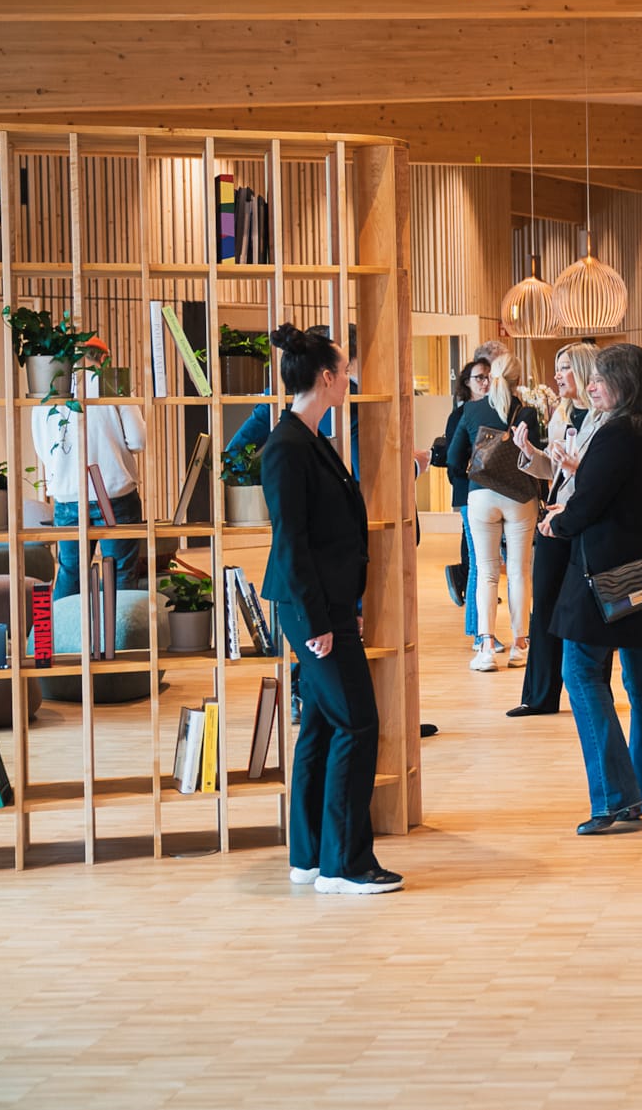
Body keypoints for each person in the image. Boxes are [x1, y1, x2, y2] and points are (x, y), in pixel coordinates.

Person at [260, 324, 401, 895]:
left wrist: (344, 606)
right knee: (357, 723)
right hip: (310, 610)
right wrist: (320, 621)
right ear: (326, 378)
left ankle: (311, 855)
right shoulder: (287, 447)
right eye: (344, 371)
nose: (349, 379)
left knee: (321, 723)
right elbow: (291, 542)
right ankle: (346, 864)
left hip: (329, 606)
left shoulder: (310, 437)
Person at [542, 344, 642, 835]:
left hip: (605, 578)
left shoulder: (617, 433)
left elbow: (587, 506)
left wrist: (557, 522)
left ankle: (617, 797)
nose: (591, 385)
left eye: (599, 379)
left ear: (625, 383)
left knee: (579, 671)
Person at [507, 342, 603, 718]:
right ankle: (540, 696)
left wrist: (579, 468)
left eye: (564, 368)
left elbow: (597, 476)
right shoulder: (561, 415)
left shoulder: (606, 419)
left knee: (587, 609)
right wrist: (531, 452)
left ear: (582, 370)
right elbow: (557, 470)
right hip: (554, 516)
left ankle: (594, 690)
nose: (557, 376)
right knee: (543, 606)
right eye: (557, 368)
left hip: (585, 519)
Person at [447, 349, 541, 673]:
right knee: (518, 571)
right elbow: (536, 459)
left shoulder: (471, 411)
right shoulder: (527, 413)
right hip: (520, 498)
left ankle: (486, 646)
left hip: (481, 496)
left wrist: (473, 474)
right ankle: (520, 645)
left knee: (486, 572)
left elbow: (454, 457)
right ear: (519, 381)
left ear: (491, 378)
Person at [31, 370, 147, 599]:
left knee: (71, 573)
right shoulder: (113, 381)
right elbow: (138, 440)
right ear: (103, 358)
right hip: (114, 494)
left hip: (67, 496)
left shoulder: (47, 385)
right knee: (119, 572)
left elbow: (42, 447)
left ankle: (63, 633)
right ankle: (118, 634)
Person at [227, 323, 359, 478]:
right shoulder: (353, 402)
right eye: (345, 370)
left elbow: (232, 460)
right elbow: (364, 477)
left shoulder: (276, 398)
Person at [441, 355, 490, 609]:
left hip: (490, 490)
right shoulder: (459, 415)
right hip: (468, 490)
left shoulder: (494, 409)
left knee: (481, 560)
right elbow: (454, 458)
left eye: (488, 377)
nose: (485, 382)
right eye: (479, 377)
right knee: (477, 560)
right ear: (467, 382)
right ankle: (478, 628)